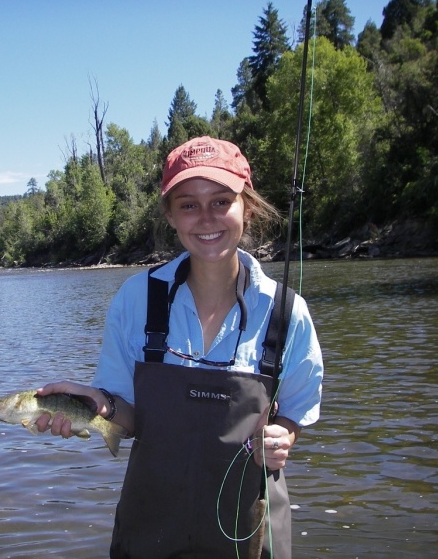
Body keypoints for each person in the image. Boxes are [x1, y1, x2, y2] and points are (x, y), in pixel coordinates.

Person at [35, 136, 323, 558]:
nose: (206, 218)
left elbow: (295, 414)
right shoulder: (136, 300)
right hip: (150, 532)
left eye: (222, 201)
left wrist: (284, 437)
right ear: (170, 215)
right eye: (189, 204)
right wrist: (100, 406)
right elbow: (127, 420)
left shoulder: (287, 312)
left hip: (251, 533)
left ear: (248, 207)